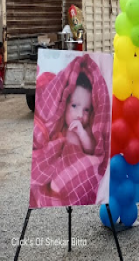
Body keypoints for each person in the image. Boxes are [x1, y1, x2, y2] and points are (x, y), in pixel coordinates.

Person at [30, 54, 110, 207]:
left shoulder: (85, 129)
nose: (80, 115)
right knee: (53, 178)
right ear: (64, 104)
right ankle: (57, 186)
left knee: (63, 179)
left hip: (78, 160)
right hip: (61, 161)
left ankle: (61, 185)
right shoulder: (60, 126)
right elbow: (49, 144)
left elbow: (91, 148)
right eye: (74, 106)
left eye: (86, 110)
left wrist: (81, 133)